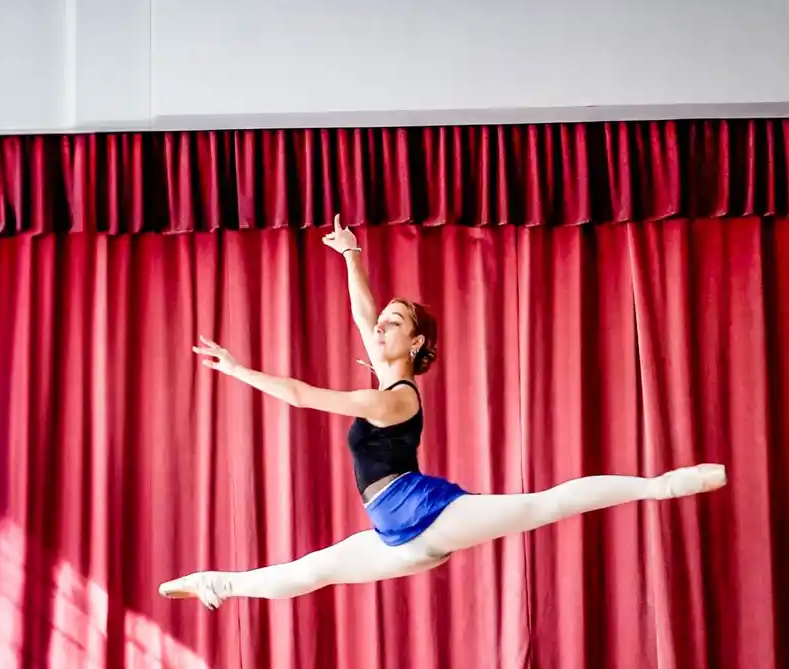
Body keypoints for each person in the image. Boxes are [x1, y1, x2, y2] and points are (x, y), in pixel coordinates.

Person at [159, 215, 726, 609]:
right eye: (383, 321)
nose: (379, 325)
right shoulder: (387, 372)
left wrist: (237, 371)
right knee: (311, 571)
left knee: (543, 505)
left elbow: (304, 396)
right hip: (396, 535)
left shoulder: (393, 396)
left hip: (427, 515)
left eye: (394, 323)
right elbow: (362, 314)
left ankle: (662, 486)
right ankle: (220, 584)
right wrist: (353, 256)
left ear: (415, 345)